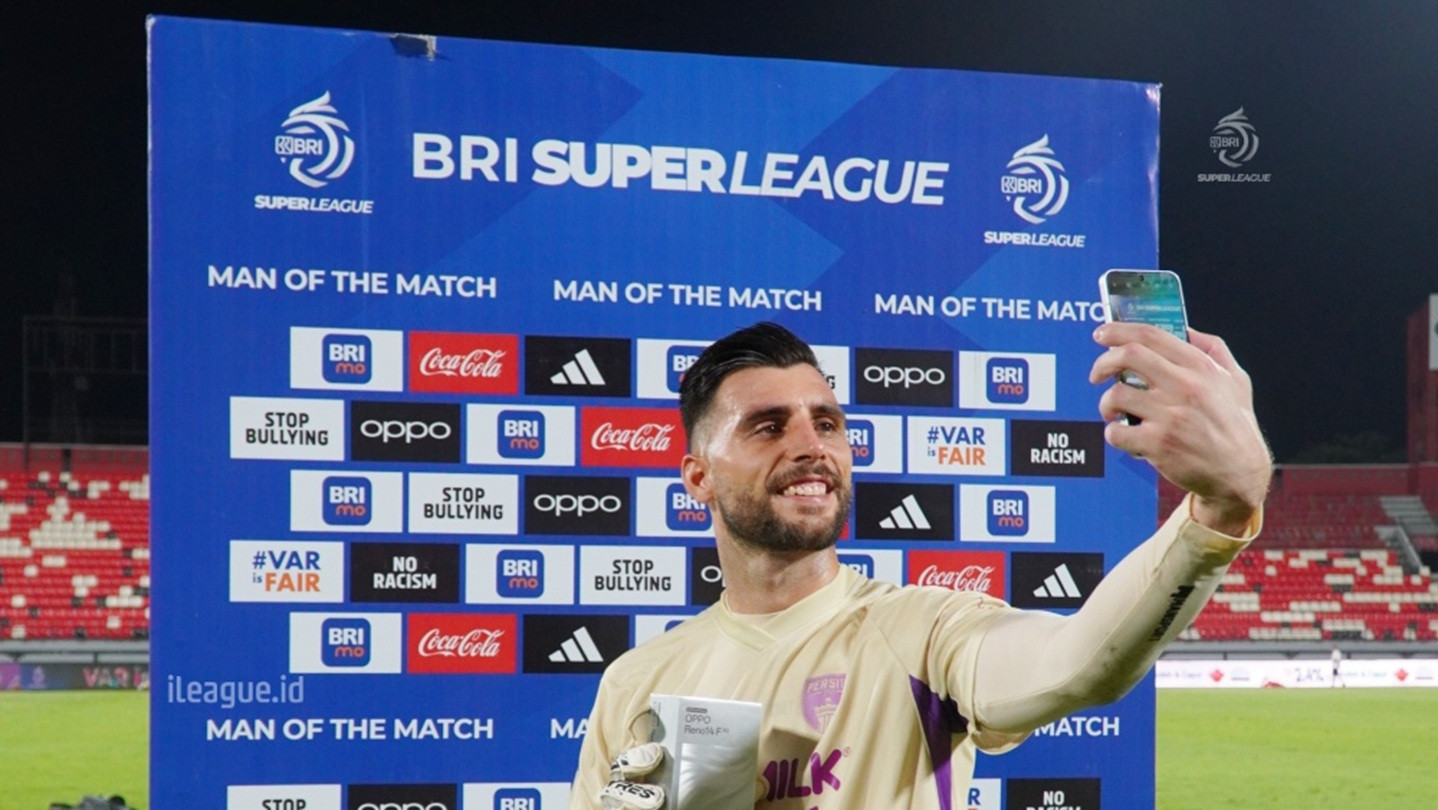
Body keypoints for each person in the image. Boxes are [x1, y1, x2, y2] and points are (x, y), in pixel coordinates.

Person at [570, 321, 1271, 810]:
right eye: (768, 426)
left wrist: (1216, 512)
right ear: (698, 477)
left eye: (827, 423)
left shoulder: (924, 631)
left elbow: (1079, 664)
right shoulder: (637, 682)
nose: (813, 446)